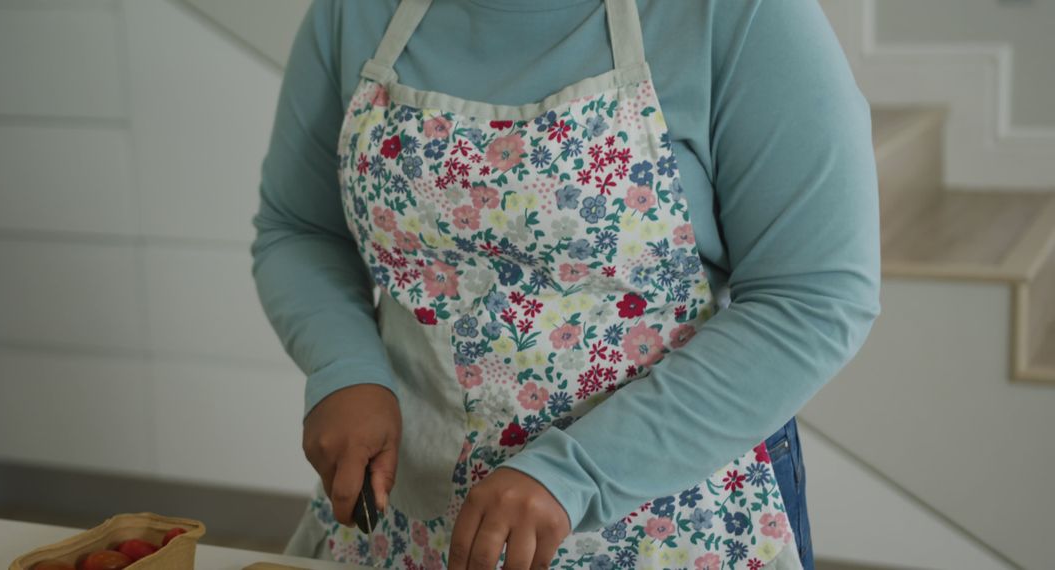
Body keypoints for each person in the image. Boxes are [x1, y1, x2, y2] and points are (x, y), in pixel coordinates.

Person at [250, 0, 881, 568]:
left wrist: (577, 472)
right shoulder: (352, 12)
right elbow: (300, 228)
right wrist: (345, 367)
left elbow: (814, 298)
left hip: (674, 523)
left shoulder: (740, 15)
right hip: (407, 525)